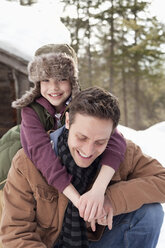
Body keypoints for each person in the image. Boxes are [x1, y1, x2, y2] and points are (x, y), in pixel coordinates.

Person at [0, 86, 165, 248]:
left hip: (91, 242)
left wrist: (111, 200)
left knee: (151, 213)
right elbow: (15, 234)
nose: (88, 150)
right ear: (67, 122)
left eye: (100, 142)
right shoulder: (26, 164)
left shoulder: (125, 153)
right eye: (82, 137)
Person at [11, 44, 126, 222]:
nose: (54, 87)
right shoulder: (31, 111)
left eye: (61, 79)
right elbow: (43, 156)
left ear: (72, 79)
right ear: (37, 82)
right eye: (46, 80)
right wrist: (79, 202)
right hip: (13, 167)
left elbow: (115, 141)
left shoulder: (82, 104)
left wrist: (98, 190)